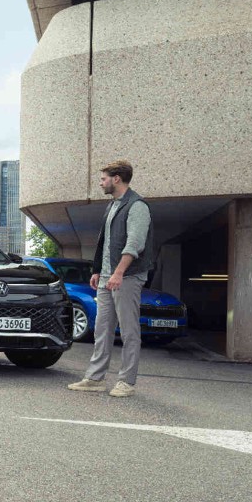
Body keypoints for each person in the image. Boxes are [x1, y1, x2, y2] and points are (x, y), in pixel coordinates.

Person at [67, 159, 155, 398]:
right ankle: (95, 379)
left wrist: (119, 272)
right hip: (107, 277)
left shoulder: (137, 206)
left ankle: (126, 381)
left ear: (117, 179)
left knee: (128, 331)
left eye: (103, 178)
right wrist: (98, 270)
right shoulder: (113, 205)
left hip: (127, 277)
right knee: (102, 329)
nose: (101, 182)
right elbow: (105, 242)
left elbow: (134, 243)